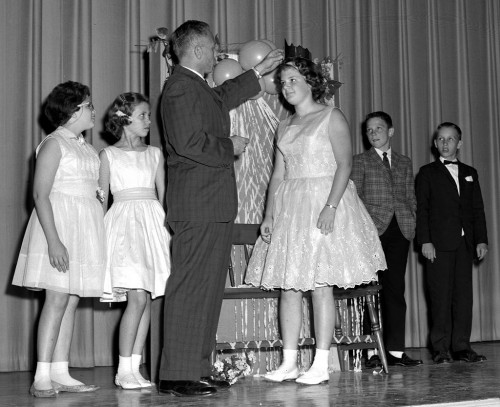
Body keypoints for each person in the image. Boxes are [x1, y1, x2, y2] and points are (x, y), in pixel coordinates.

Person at [158, 20, 284, 397]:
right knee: (191, 288)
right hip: (197, 206)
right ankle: (177, 373)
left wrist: (256, 73)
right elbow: (189, 143)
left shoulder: (196, 86)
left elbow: (224, 95)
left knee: (207, 291)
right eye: (214, 48)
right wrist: (230, 146)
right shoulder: (180, 88)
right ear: (198, 50)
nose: (219, 54)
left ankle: (193, 367)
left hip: (209, 206)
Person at [245, 57, 386, 385]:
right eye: (283, 82)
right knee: (290, 287)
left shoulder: (331, 116)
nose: (287, 87)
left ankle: (321, 363)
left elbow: (344, 164)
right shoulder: (284, 125)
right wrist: (268, 214)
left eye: (293, 79)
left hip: (324, 201)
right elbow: (278, 174)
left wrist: (331, 206)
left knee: (321, 284)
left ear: (310, 82)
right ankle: (289, 362)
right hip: (291, 208)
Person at [12, 81, 104, 397]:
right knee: (56, 299)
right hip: (59, 227)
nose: (94, 110)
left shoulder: (85, 146)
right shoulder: (54, 144)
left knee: (72, 299)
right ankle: (41, 377)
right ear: (73, 109)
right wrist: (54, 241)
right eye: (89, 105)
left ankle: (60, 371)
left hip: (83, 228)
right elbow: (40, 194)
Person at [98, 93, 171, 389]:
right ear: (124, 119)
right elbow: (100, 202)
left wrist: (169, 229)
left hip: (152, 224)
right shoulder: (108, 155)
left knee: (148, 299)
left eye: (148, 115)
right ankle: (123, 368)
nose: (148, 121)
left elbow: (164, 196)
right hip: (123, 227)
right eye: (142, 115)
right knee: (137, 297)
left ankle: (133, 368)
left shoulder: (155, 154)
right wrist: (98, 239)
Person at [350, 111, 422, 368]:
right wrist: (363, 229)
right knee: (371, 291)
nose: (373, 134)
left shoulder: (404, 161)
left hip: (400, 230)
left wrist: (411, 217)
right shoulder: (360, 161)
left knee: (395, 290)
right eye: (369, 130)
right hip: (372, 231)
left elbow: (410, 195)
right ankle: (372, 351)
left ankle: (396, 352)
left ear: (390, 131)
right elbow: (354, 198)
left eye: (378, 128)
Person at [416, 122, 488, 364]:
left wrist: (481, 240)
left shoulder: (470, 172)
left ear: (460, 143)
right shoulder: (427, 173)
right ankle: (440, 349)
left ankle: (461, 347)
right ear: (435, 143)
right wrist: (425, 241)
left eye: (450, 139)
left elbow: (477, 209)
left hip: (465, 244)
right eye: (441, 139)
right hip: (438, 244)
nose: (445, 143)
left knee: (463, 298)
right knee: (440, 297)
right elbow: (422, 210)